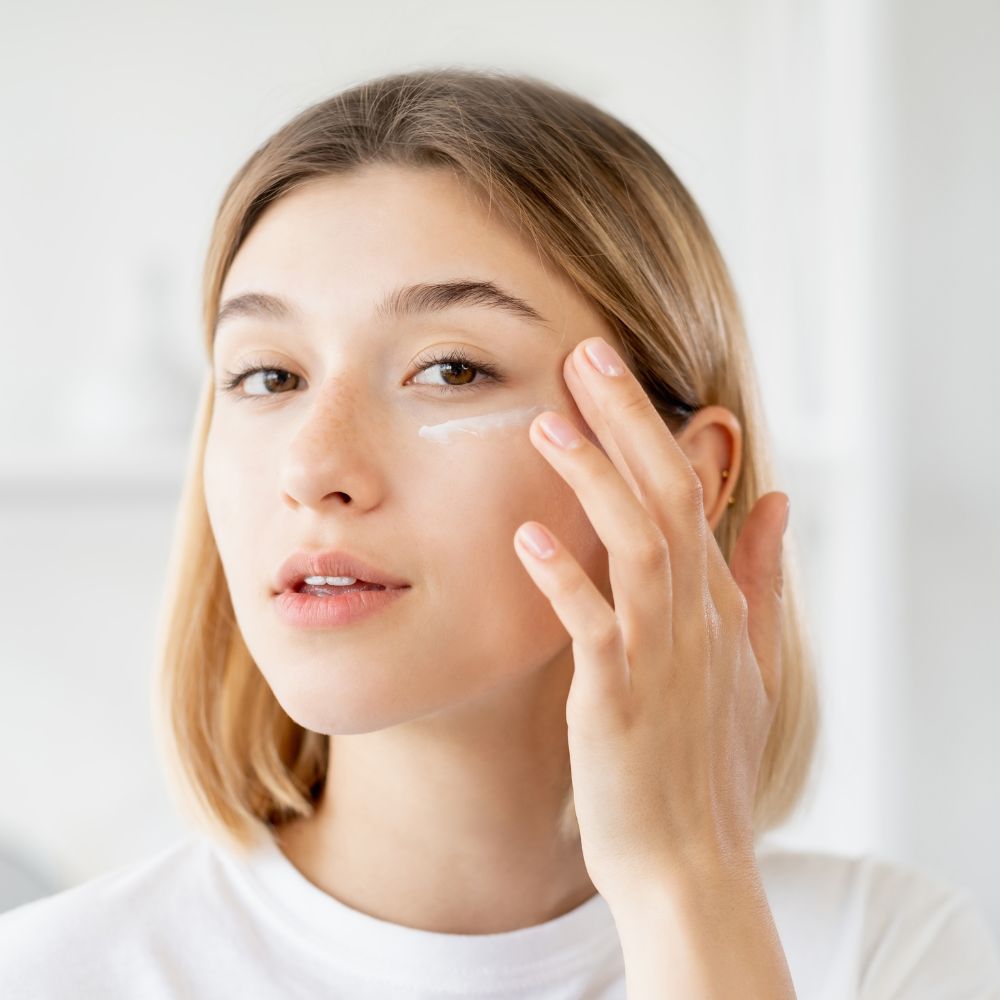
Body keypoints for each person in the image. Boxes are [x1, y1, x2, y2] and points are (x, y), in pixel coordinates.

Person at [2, 67, 998, 999]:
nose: (312, 467)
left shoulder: (880, 956)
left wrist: (686, 884)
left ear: (683, 476)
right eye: (269, 375)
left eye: (450, 369)